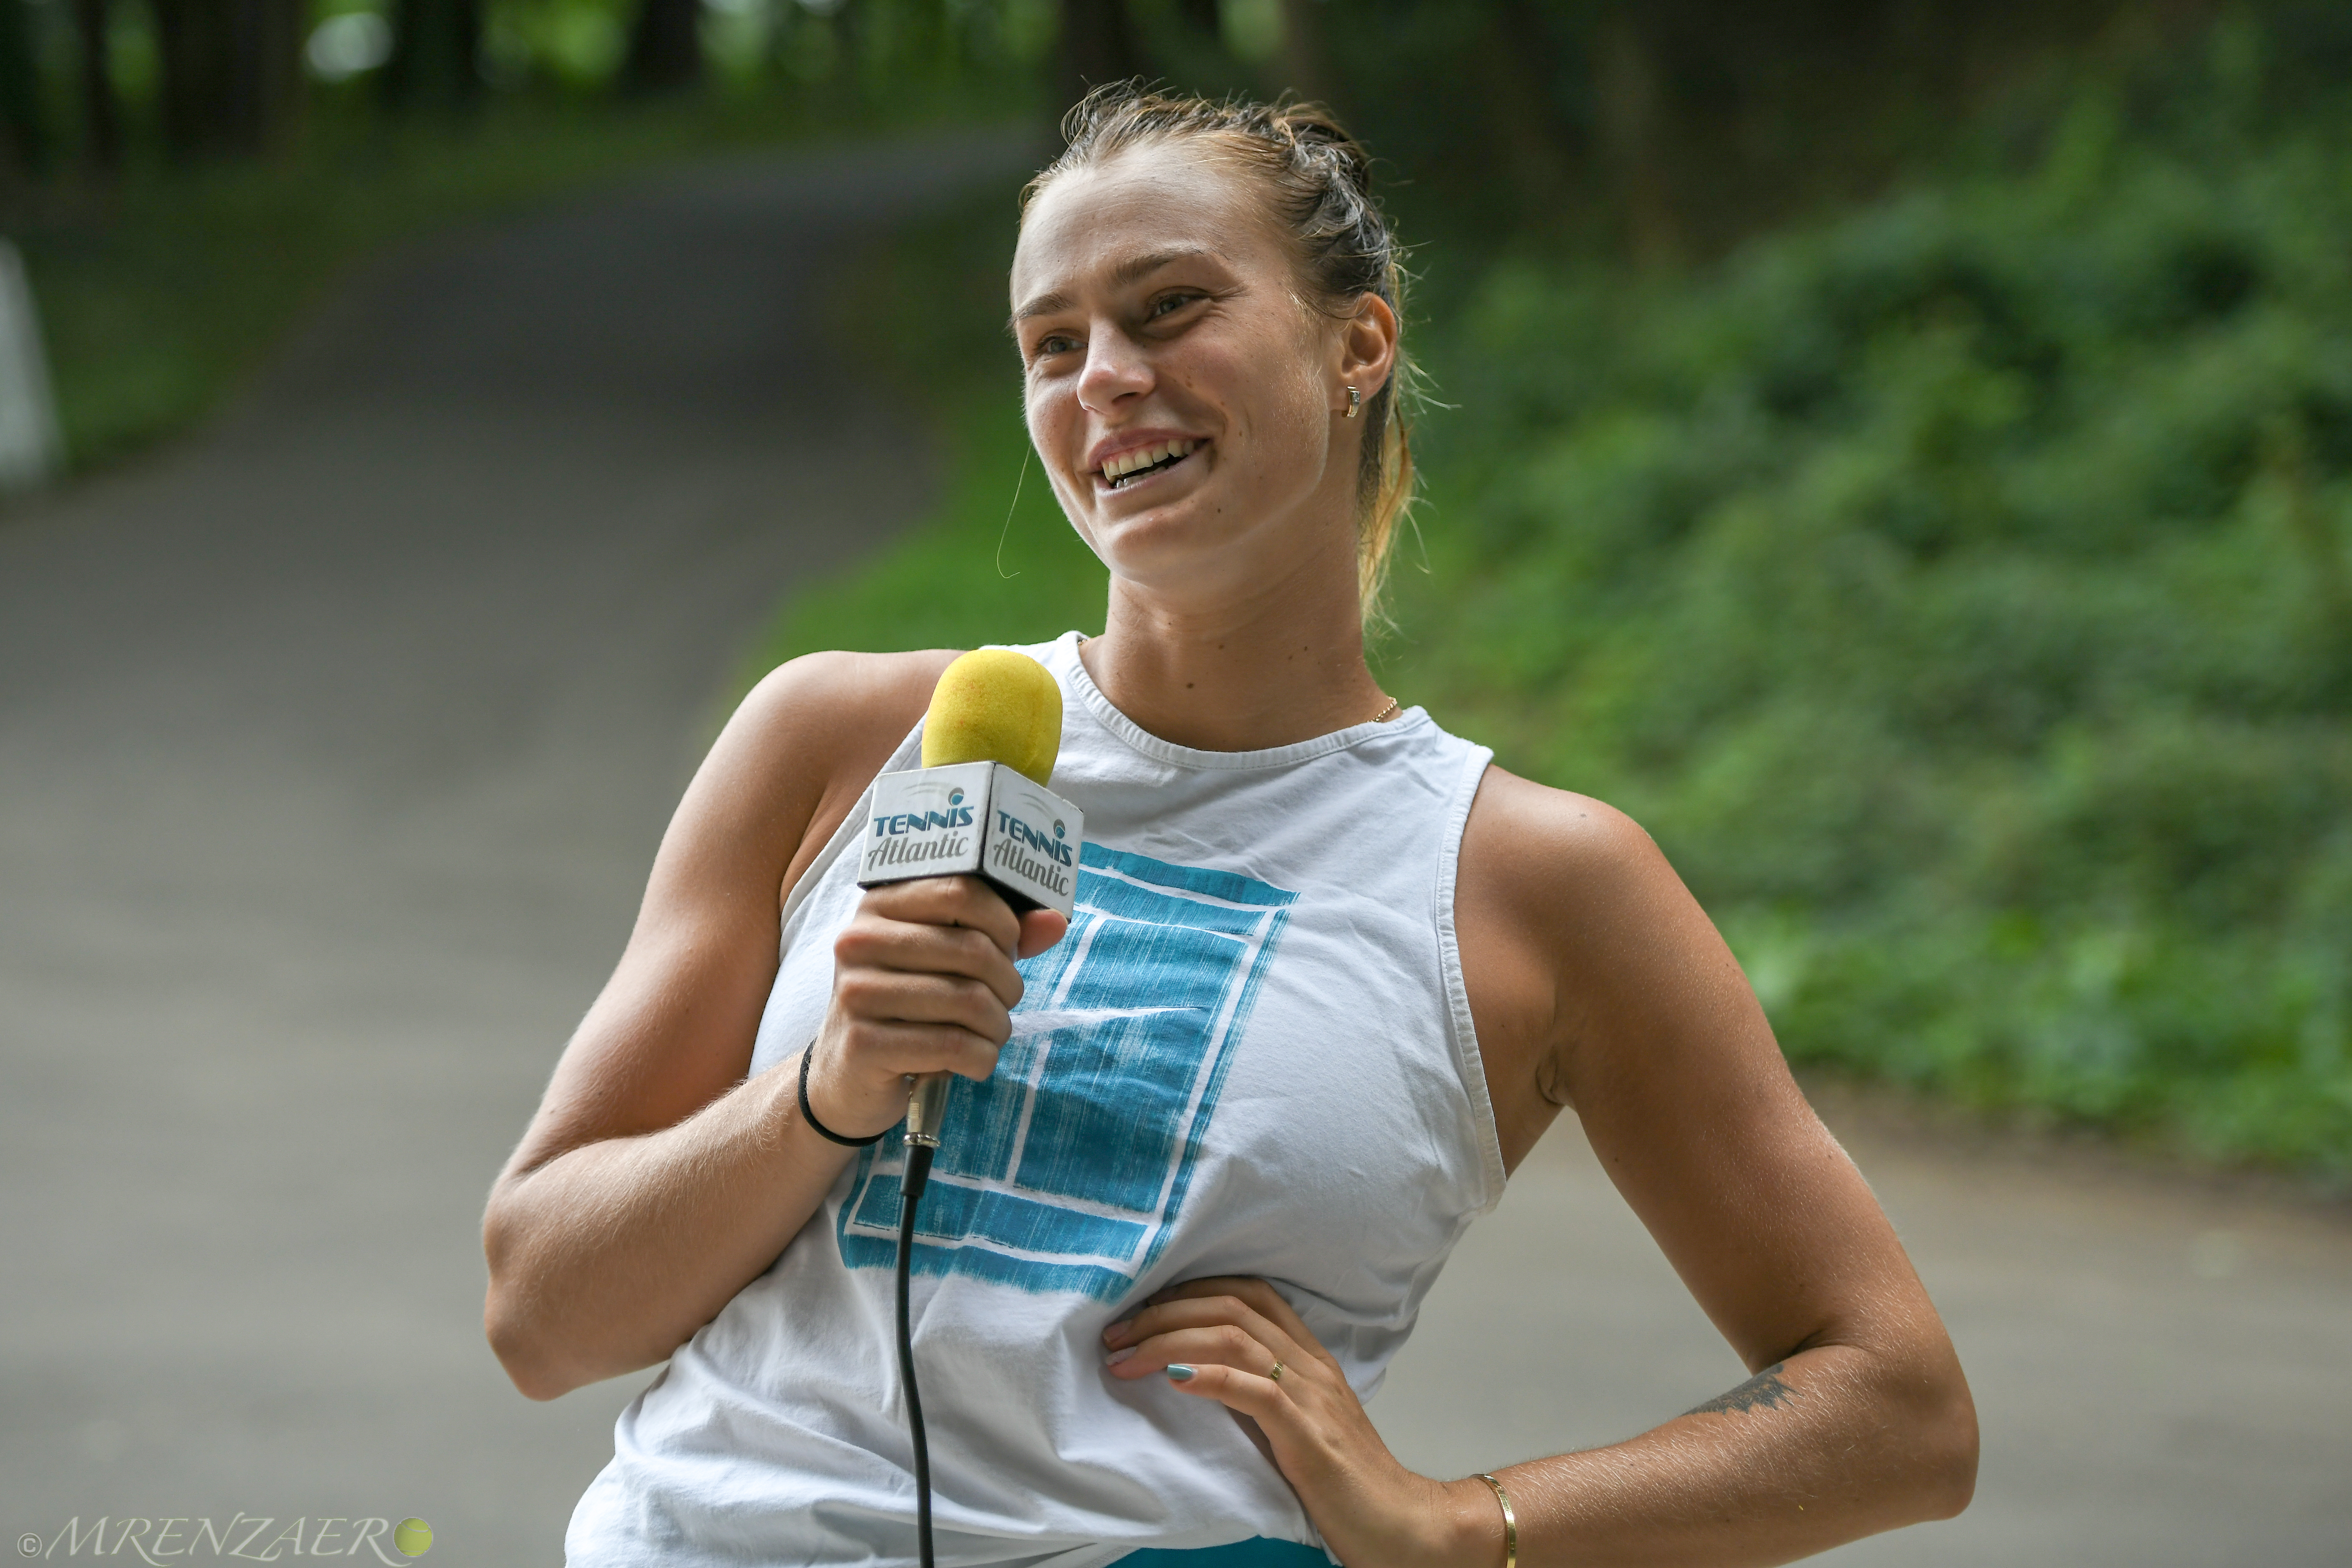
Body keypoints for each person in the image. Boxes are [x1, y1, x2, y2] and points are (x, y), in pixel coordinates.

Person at [483, 86, 1978, 1568]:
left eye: (1170, 306)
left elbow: (1898, 1408)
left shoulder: (1535, 883)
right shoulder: (834, 739)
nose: (1103, 379)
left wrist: (1465, 1527)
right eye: (1051, 344)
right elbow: (544, 1315)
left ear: (1358, 343)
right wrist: (830, 1085)